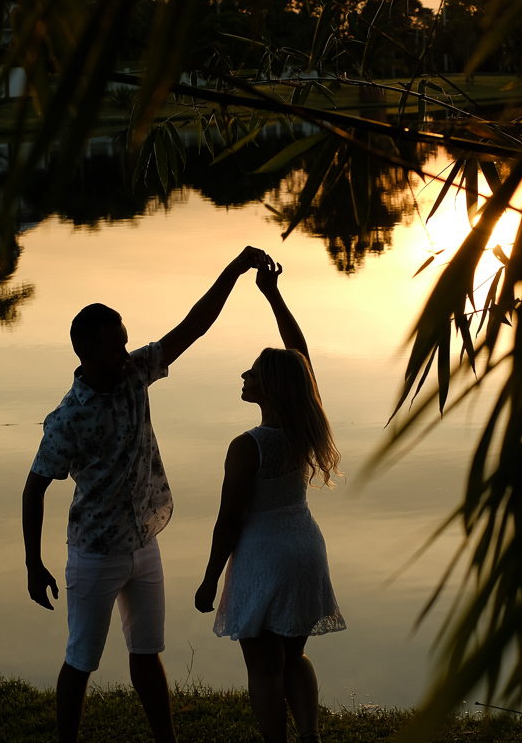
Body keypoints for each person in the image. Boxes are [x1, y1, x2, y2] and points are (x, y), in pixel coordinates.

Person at [23, 246, 274, 743]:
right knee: (81, 659)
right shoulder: (68, 418)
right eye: (116, 348)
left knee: (147, 654)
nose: (126, 353)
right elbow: (35, 487)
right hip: (94, 554)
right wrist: (33, 562)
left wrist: (236, 267)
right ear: (87, 354)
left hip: (144, 544)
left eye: (126, 343)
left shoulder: (135, 373)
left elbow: (193, 327)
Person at [195, 260, 346, 743]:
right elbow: (297, 354)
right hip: (305, 549)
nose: (245, 374)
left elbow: (228, 521)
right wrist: (272, 294)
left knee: (263, 667)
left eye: (254, 372)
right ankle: (309, 737)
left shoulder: (248, 446)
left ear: (270, 386)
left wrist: (208, 579)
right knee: (294, 655)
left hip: (265, 556)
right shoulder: (305, 427)